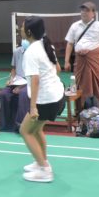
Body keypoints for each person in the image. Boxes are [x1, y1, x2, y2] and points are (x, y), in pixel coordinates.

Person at [20, 16, 65, 183]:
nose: (20, 29)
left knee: (25, 131)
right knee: (37, 130)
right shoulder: (47, 44)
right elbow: (57, 68)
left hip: (45, 101)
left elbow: (35, 80)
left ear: (29, 32)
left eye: (22, 27)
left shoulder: (31, 52)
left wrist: (33, 107)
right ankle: (42, 162)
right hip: (57, 95)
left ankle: (44, 171)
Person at [64, 2, 99, 114]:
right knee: (79, 85)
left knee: (98, 85)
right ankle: (81, 112)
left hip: (94, 60)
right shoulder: (74, 26)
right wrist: (67, 61)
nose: (84, 12)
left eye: (87, 10)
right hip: (79, 61)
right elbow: (70, 43)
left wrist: (96, 52)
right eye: (82, 10)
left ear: (93, 13)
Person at [0, 42, 28, 132]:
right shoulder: (17, 52)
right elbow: (13, 69)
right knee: (3, 94)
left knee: (23, 94)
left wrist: (21, 87)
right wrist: (11, 80)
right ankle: (5, 125)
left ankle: (20, 125)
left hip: (30, 82)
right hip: (17, 81)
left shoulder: (36, 52)